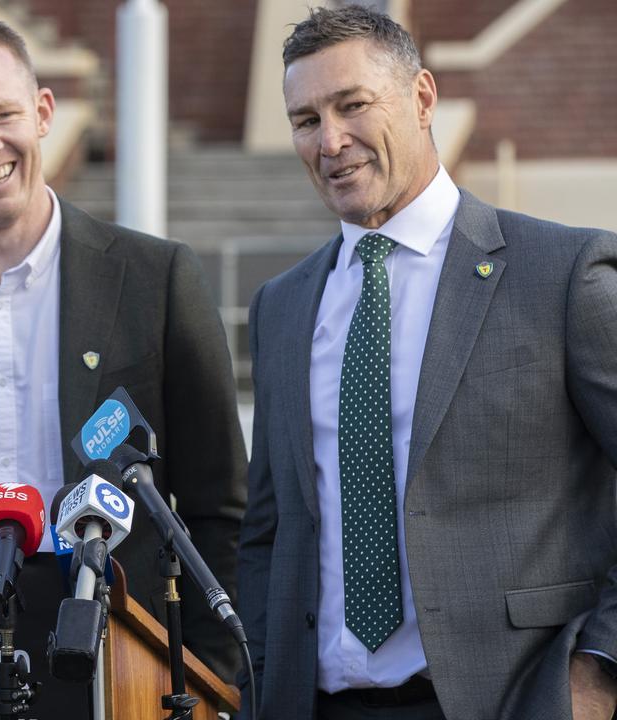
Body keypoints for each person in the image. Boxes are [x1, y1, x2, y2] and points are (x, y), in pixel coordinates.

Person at [238, 6, 617, 719]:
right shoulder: (281, 307)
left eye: (352, 105)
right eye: (306, 120)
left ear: (421, 98)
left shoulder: (561, 273)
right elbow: (270, 527)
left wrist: (599, 672)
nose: (331, 140)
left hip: (512, 699)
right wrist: (259, 673)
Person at [0, 16, 247, 680]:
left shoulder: (157, 279)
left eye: (4, 114)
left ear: (43, 113)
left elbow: (221, 510)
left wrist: (212, 681)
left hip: (123, 663)